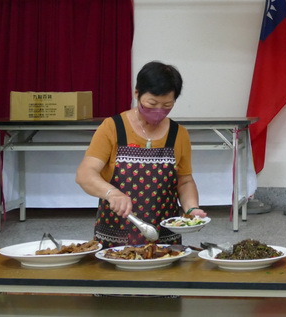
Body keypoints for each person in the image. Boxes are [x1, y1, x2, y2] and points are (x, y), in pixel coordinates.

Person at [75, 61, 207, 248]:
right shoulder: (112, 128)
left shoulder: (179, 134)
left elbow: (184, 181)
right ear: (137, 93)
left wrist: (192, 209)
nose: (158, 111)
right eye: (152, 103)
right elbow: (85, 174)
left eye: (167, 105)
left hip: (165, 238)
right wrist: (112, 193)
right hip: (116, 237)